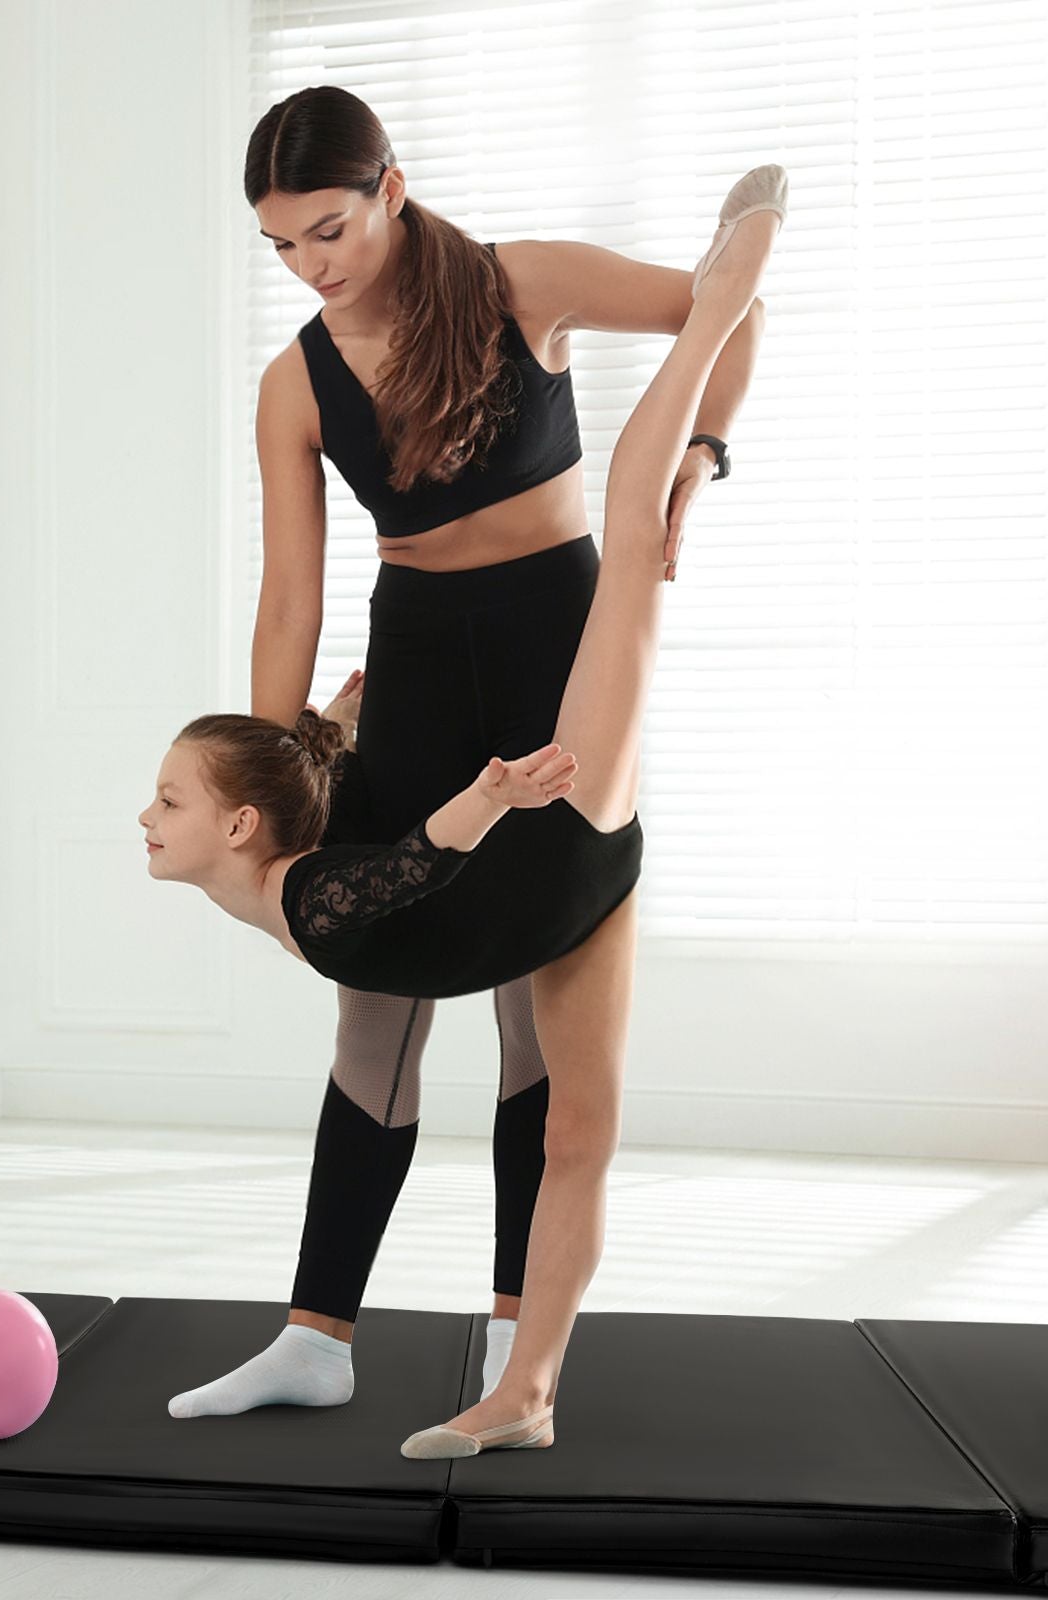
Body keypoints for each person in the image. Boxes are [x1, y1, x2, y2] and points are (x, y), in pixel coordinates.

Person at [139, 161, 787, 1456]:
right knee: (375, 1015)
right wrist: (276, 778)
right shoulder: (301, 381)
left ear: (386, 192)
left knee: (535, 1026)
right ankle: (317, 1336)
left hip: (556, 629)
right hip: (418, 666)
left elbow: (728, 307)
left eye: (328, 228)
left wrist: (703, 460)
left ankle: (514, 1342)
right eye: (280, 245)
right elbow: (288, 602)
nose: (312, 262)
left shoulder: (513, 283)